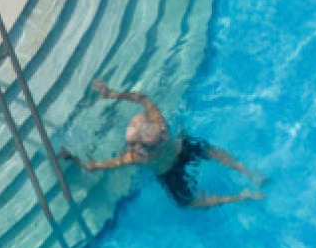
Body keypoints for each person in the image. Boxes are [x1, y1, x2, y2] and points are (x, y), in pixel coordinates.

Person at [62, 79, 264, 209]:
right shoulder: (161, 124)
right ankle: (248, 172)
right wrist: (113, 94)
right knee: (211, 152)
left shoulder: (138, 157)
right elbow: (144, 99)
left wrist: (70, 157)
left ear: (140, 145)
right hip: (183, 148)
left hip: (169, 173)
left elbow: (93, 167)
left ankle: (239, 196)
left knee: (188, 203)